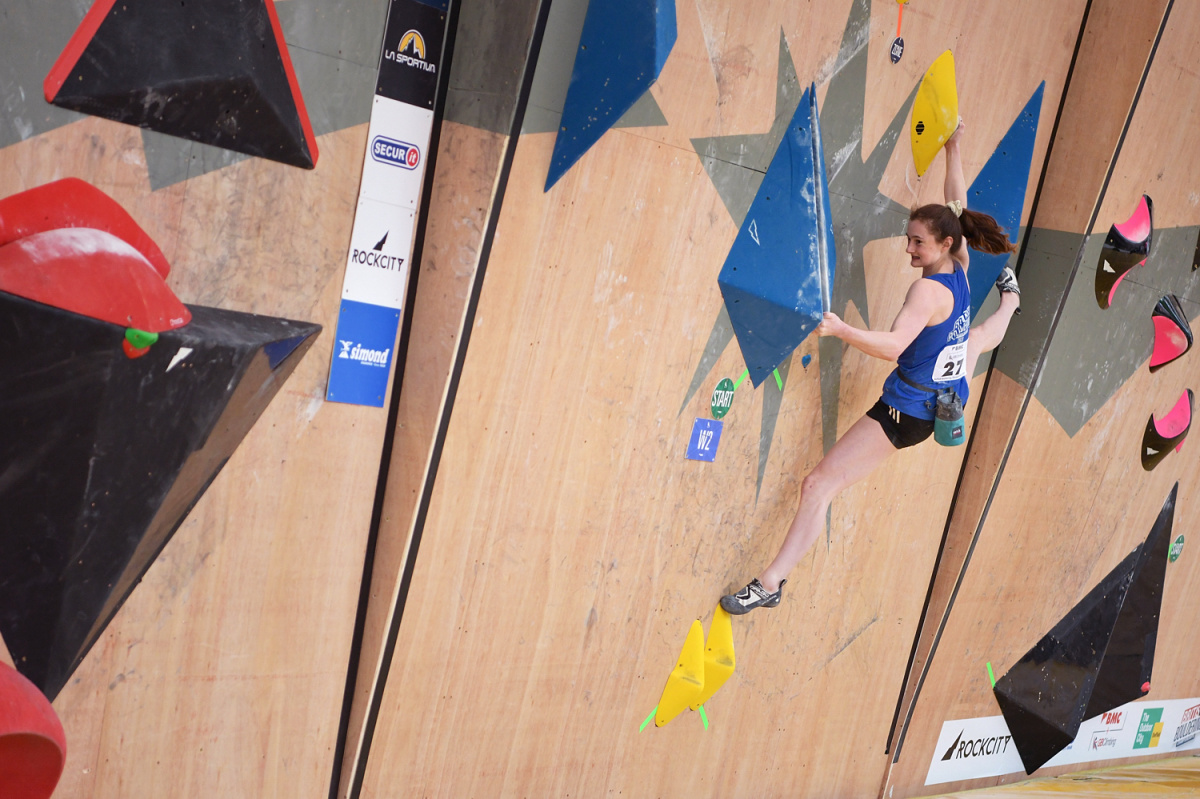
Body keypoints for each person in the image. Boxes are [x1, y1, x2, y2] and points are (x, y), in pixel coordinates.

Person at [721, 120, 1023, 615]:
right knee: (978, 339)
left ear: (943, 244)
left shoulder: (927, 291)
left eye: (916, 243)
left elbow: (894, 346)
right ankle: (1010, 301)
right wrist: (954, 148)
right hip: (946, 395)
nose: (908, 249)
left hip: (908, 412)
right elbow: (957, 203)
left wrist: (842, 330)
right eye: (909, 240)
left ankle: (771, 583)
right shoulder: (962, 264)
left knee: (818, 485)